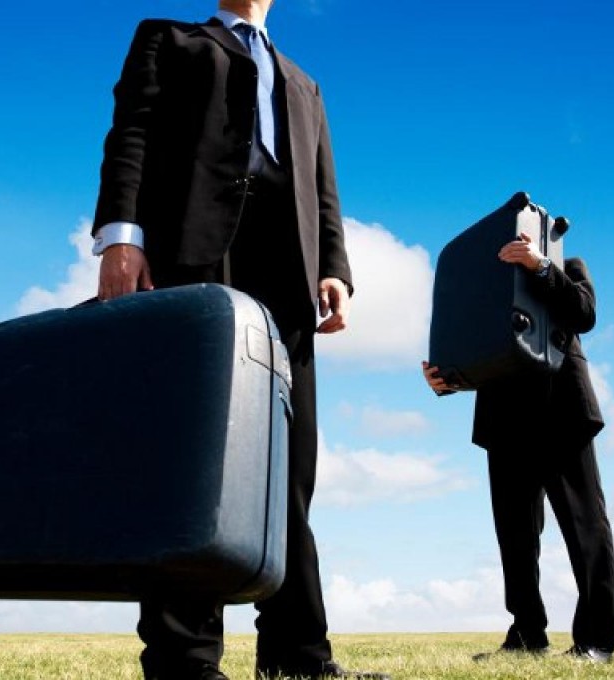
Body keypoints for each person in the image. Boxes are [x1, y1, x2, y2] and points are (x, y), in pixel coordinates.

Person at [90, 1, 389, 679]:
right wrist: (121, 236)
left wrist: (335, 268)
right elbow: (131, 132)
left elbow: (324, 188)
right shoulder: (170, 39)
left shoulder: (306, 83)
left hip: (288, 269)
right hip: (192, 253)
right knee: (186, 454)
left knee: (291, 465)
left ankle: (297, 655)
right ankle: (185, 659)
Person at [423, 233, 614, 663]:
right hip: (503, 420)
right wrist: (447, 378)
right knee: (515, 537)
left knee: (585, 526)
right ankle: (527, 635)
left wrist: (541, 267)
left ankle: (598, 640)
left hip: (561, 409)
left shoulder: (567, 265)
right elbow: (476, 350)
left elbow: (584, 314)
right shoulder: (482, 290)